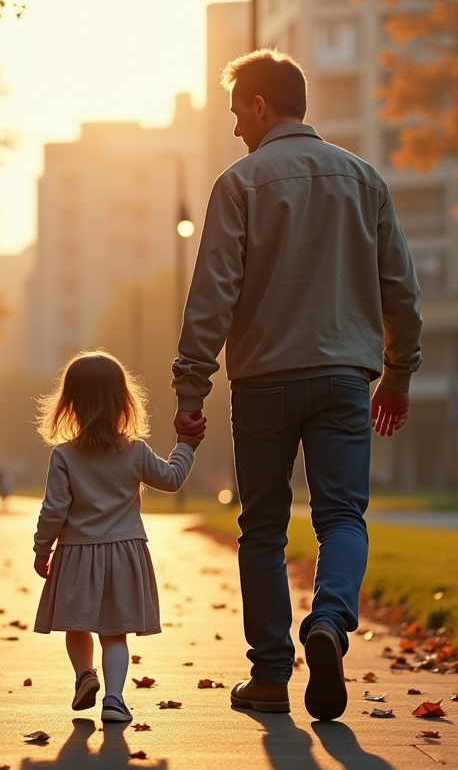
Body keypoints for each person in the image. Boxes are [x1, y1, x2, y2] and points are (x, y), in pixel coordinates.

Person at [172, 49, 422, 721]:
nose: (234, 131)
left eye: (236, 113)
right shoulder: (364, 180)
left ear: (260, 105)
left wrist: (191, 390)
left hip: (263, 383)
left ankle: (271, 676)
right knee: (342, 516)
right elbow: (401, 290)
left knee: (262, 528)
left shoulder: (239, 183)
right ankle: (330, 625)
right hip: (344, 378)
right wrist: (398, 375)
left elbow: (212, 297)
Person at [31, 350, 205, 722]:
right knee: (115, 635)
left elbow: (53, 510)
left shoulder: (65, 456)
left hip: (77, 553)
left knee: (77, 625)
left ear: (70, 404)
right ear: (122, 401)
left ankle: (84, 675)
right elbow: (172, 479)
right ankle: (113, 700)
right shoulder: (135, 452)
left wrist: (41, 549)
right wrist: (186, 446)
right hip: (124, 554)